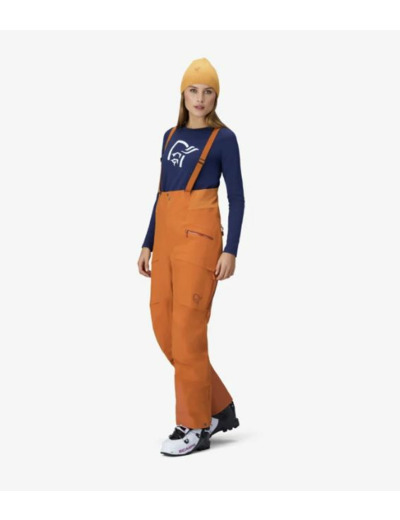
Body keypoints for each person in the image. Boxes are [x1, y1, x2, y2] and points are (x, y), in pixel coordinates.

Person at [137, 57, 245, 456]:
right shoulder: (169, 136)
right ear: (183, 94)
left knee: (187, 332)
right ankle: (219, 407)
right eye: (193, 90)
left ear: (216, 97)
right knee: (164, 329)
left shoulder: (224, 139)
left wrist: (231, 249)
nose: (200, 98)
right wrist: (148, 242)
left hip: (199, 243)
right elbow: (161, 193)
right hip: (166, 241)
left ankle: (194, 426)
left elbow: (237, 198)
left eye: (208, 91)